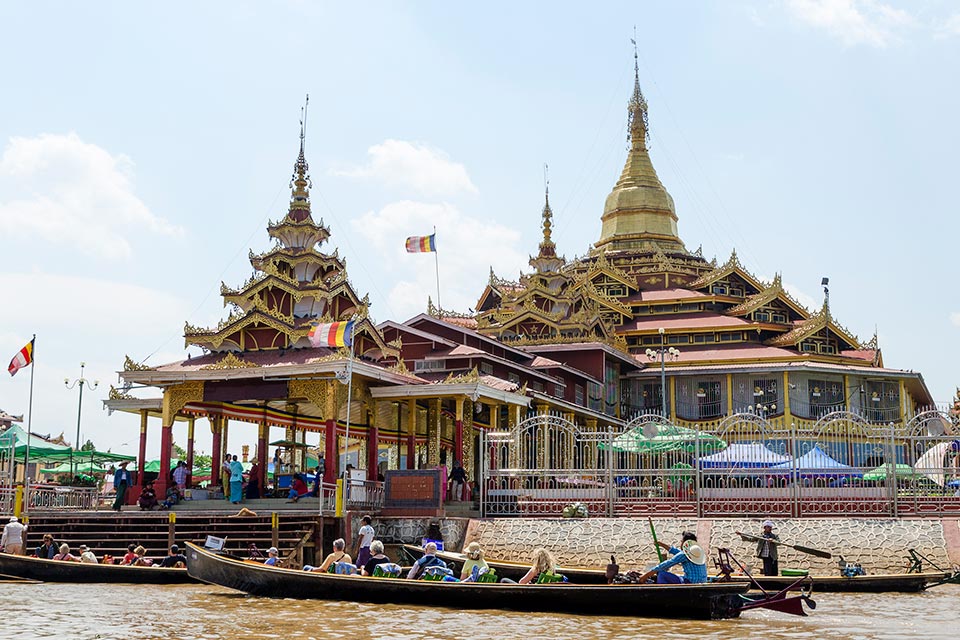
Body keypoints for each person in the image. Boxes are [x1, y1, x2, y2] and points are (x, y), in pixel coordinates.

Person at [637, 532, 708, 584]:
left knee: (661, 574)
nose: (681, 543)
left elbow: (667, 564)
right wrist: (661, 544)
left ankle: (662, 595)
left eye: (681, 542)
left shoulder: (684, 554)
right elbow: (676, 552)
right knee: (679, 576)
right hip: (702, 582)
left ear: (685, 543)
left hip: (689, 582)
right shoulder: (698, 553)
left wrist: (646, 575)